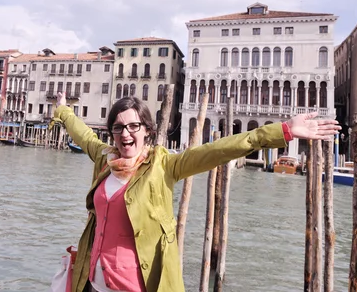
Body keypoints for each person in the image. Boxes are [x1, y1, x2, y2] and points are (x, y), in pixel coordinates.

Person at [52, 92, 340, 292]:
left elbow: (217, 150)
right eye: (118, 128)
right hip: (93, 281)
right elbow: (82, 134)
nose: (125, 134)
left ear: (147, 130)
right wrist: (63, 110)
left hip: (135, 285)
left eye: (133, 126)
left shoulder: (164, 166)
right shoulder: (105, 159)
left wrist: (283, 131)